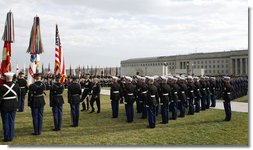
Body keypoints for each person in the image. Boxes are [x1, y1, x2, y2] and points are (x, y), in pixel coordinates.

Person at [0, 72, 20, 142]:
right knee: (11, 121)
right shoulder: (17, 86)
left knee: (5, 122)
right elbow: (19, 96)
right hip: (14, 105)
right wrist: (18, 105)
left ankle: (6, 137)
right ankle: (11, 136)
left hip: (4, 106)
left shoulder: (1, 87)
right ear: (11, 78)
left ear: (6, 78)